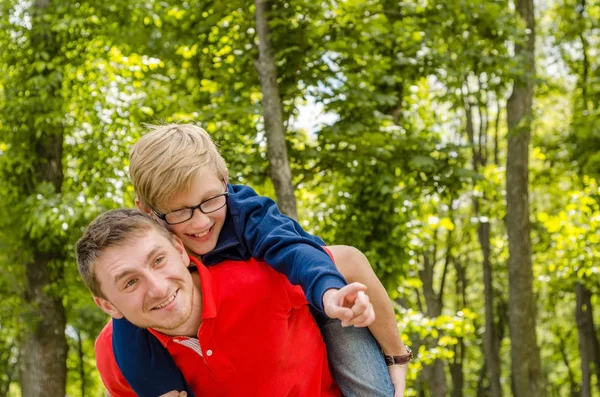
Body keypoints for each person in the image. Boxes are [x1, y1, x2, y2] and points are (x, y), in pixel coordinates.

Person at [111, 124, 411, 396]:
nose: (199, 222)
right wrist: (160, 388)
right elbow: (125, 323)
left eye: (210, 201)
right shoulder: (151, 250)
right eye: (179, 212)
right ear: (148, 211)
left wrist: (330, 291)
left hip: (319, 291)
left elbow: (296, 250)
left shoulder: (247, 213)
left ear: (224, 181)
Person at [77, 209, 342, 396]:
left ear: (180, 250)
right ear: (108, 306)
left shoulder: (261, 276)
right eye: (130, 282)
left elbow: (351, 261)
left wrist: (387, 356)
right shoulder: (113, 355)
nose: (158, 288)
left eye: (158, 260)